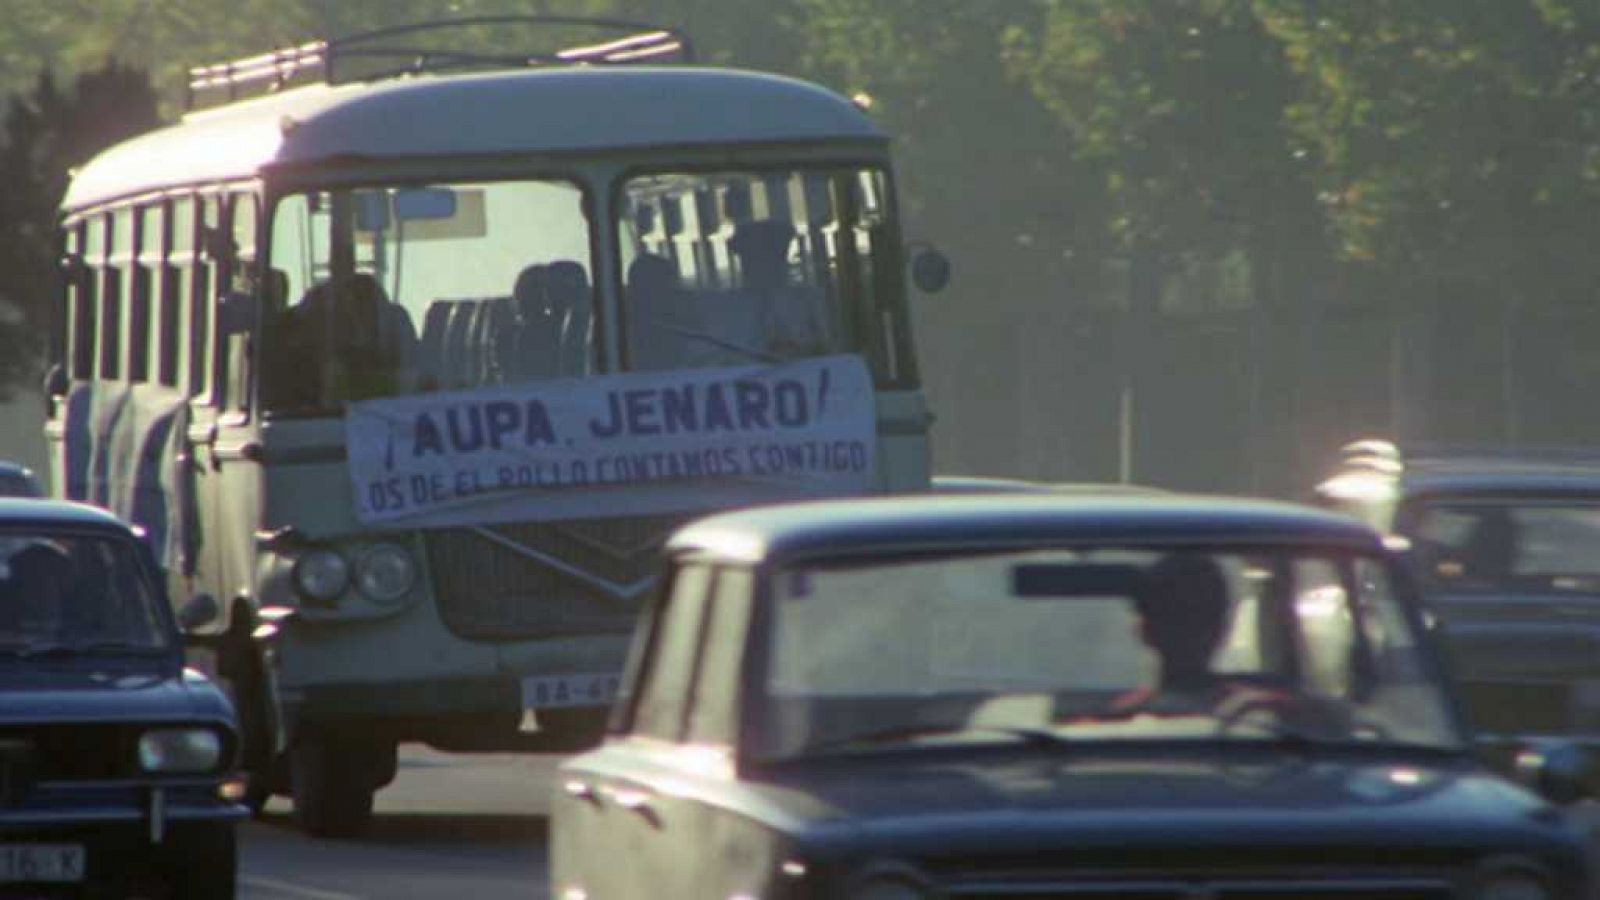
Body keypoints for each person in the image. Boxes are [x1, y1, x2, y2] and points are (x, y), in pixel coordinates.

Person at [1109, 553, 1236, 715]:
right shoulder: (1259, 715)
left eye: (1197, 616)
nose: (1188, 634)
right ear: (1222, 629)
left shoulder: (1121, 720)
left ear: (1143, 630)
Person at [727, 218, 834, 359]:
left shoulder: (809, 301)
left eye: (770, 254)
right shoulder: (728, 306)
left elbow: (831, 351)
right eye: (749, 256)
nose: (756, 263)